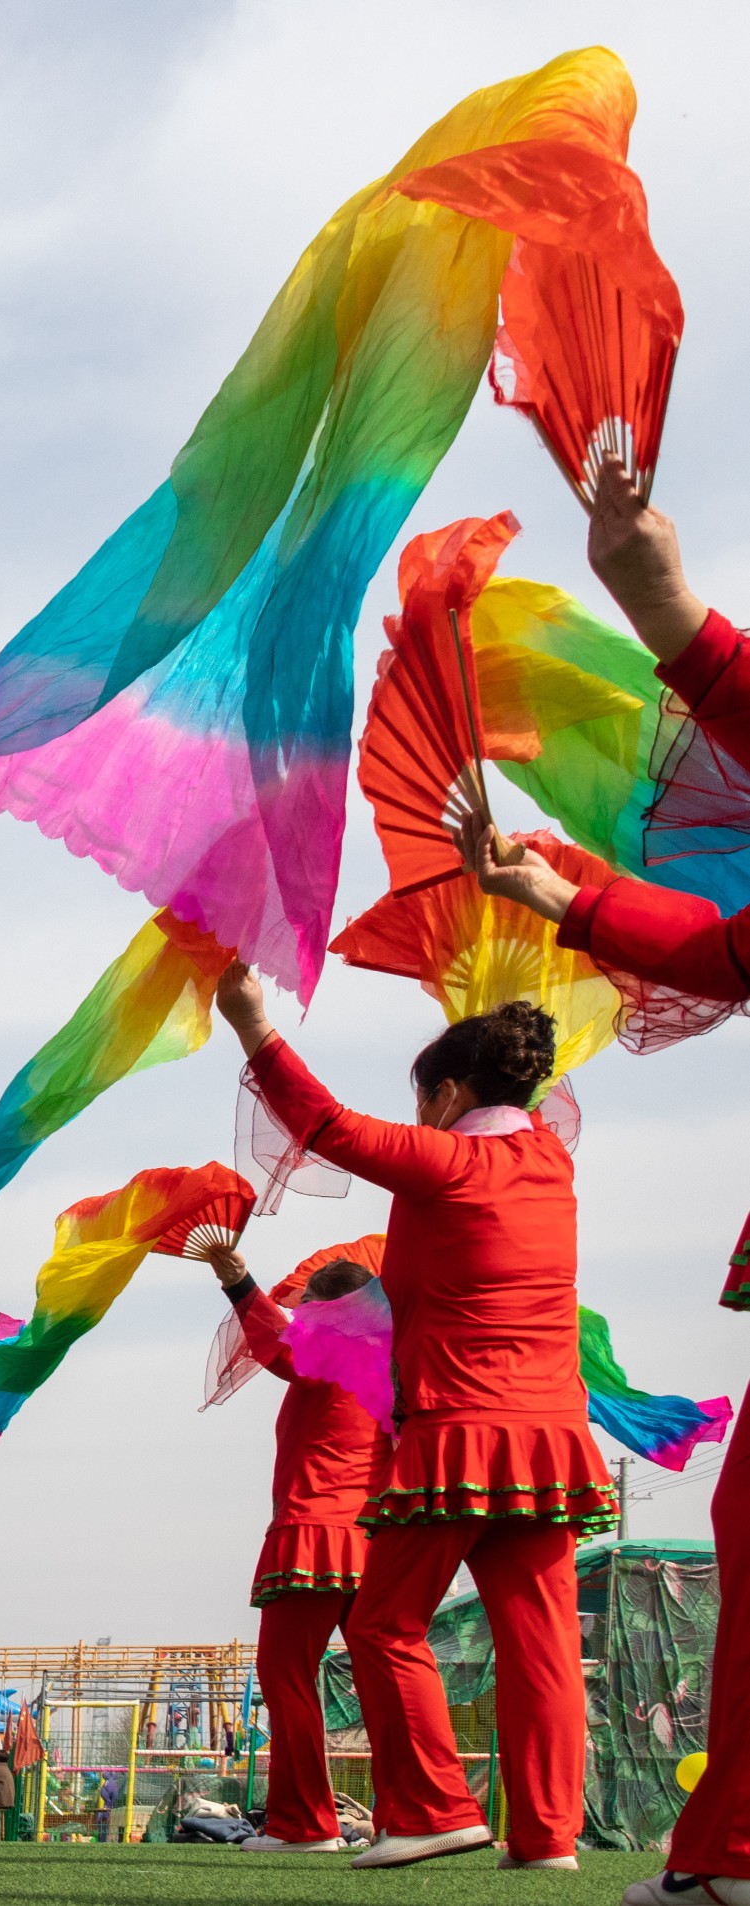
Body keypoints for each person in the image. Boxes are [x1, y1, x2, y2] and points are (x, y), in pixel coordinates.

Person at [460, 466, 750, 1906]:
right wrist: (556, 896)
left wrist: (665, 606)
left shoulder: (464, 1168)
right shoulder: (515, 1168)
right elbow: (723, 954)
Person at [222, 974, 602, 1871]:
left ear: (447, 1096)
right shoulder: (552, 1163)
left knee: (386, 1623)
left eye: (422, 1100)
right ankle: (547, 1837)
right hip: (550, 1436)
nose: (418, 1118)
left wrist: (253, 1025)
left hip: (459, 1427)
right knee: (539, 1641)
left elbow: (323, 1124)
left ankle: (433, 1807)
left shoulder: (450, 1162)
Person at [201, 1238, 388, 1855]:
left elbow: (278, 1346)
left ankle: (305, 1825)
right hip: (377, 1539)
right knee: (389, 1679)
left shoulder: (330, 1353)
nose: (299, 1312)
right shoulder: (396, 1360)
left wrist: (238, 1281)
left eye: (307, 1304)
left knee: (285, 1675)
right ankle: (412, 1817)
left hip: (313, 1534)